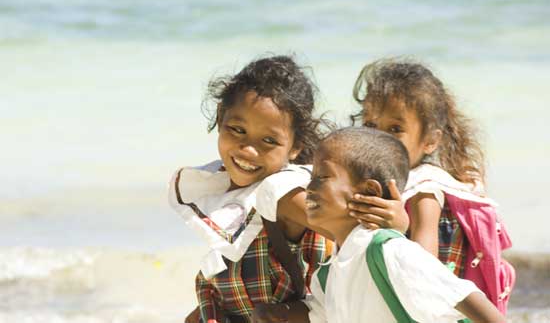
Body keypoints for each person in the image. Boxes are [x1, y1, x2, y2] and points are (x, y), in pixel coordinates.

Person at [168, 56, 409, 323]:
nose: (248, 149)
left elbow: (350, 231)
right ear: (219, 119)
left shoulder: (283, 194)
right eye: (237, 130)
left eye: (269, 140)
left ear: (294, 147)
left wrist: (393, 224)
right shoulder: (216, 182)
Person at [348, 59, 515, 314]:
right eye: (370, 125)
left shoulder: (424, 188)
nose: (378, 138)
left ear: (430, 141)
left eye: (395, 129)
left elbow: (424, 264)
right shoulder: (376, 181)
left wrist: (398, 227)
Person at [301, 127, 505, 323]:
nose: (309, 188)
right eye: (311, 177)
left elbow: (469, 299)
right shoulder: (327, 275)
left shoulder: (390, 251)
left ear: (370, 191)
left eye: (322, 177)